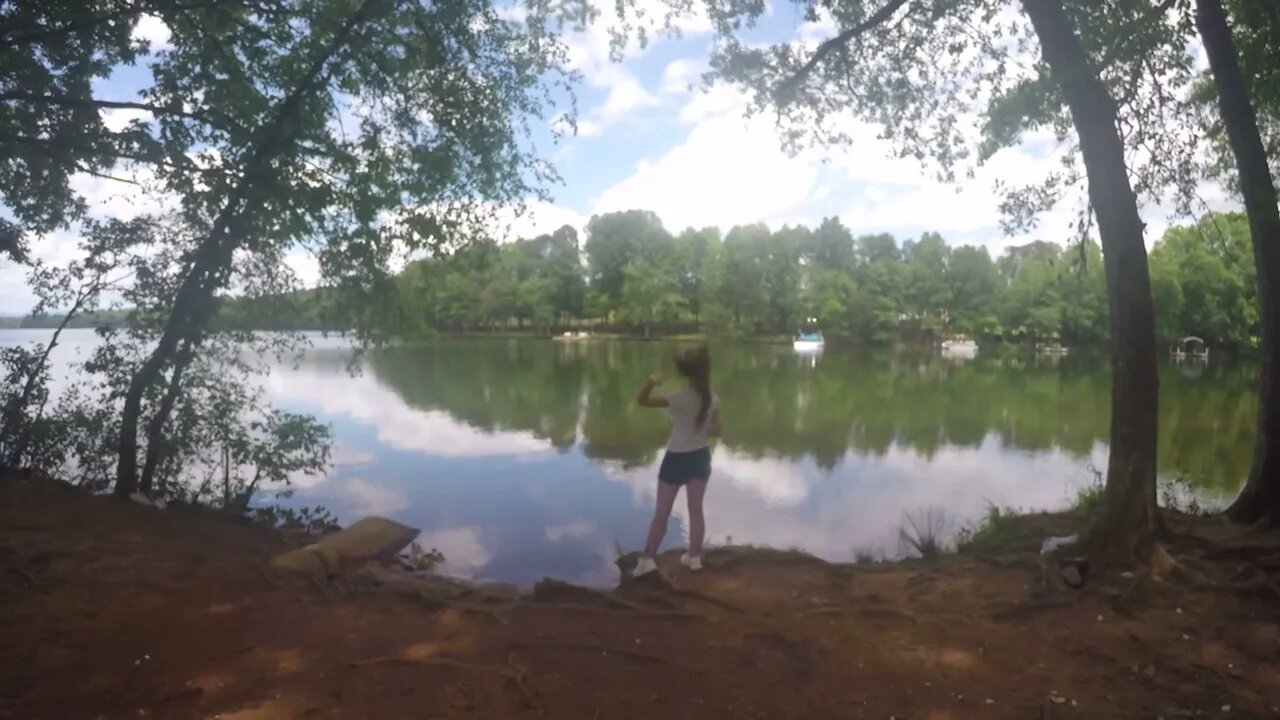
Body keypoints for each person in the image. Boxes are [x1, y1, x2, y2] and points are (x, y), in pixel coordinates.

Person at [631, 346, 721, 577]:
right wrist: (699, 428)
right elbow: (717, 431)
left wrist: (651, 382)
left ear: (684, 373)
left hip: (676, 458)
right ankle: (694, 557)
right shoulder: (713, 398)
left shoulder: (677, 397)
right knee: (696, 511)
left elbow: (642, 401)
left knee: (662, 512)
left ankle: (647, 560)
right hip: (701, 457)